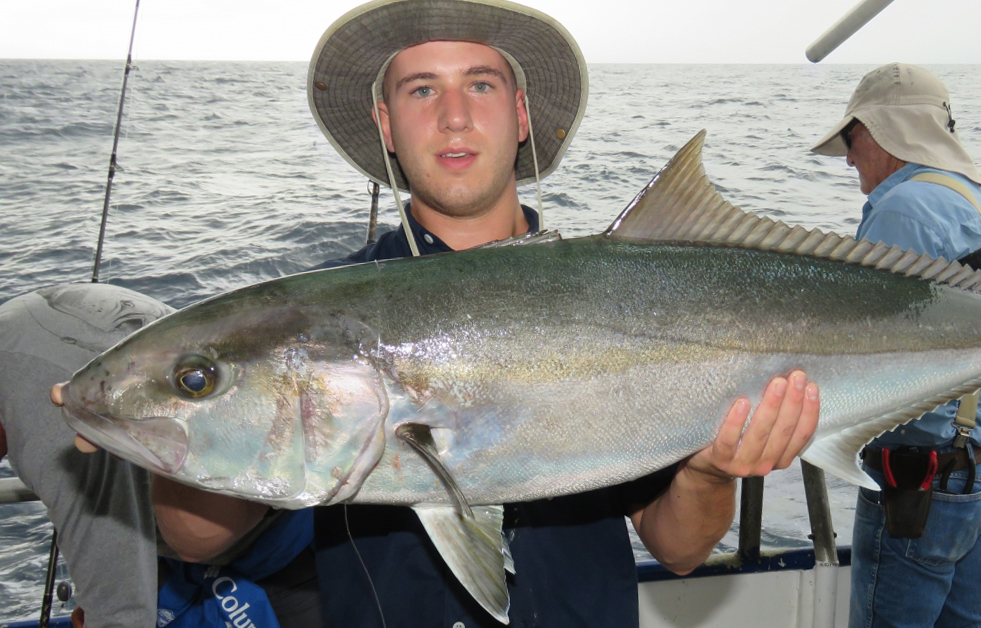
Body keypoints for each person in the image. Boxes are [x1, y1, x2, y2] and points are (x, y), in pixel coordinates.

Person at [300, 1, 820, 625]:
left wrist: (709, 471)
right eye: (422, 89)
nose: (454, 116)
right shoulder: (317, 326)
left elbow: (679, 549)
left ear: (520, 114)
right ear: (387, 124)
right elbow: (200, 538)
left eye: (481, 84)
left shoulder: (615, 294)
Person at [810, 62, 981, 628]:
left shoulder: (902, 209)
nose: (848, 157)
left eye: (851, 137)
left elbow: (866, 352)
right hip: (978, 471)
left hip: (919, 487)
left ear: (881, 130)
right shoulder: (967, 194)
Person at [1, 284, 172, 627]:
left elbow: (124, 617)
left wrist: (104, 606)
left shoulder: (48, 425)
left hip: (271, 546)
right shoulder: (13, 326)